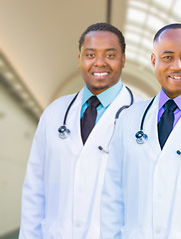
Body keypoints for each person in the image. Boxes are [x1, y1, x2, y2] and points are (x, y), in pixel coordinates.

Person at [101, 23, 181, 238]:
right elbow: (112, 197)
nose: (177, 66)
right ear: (154, 61)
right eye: (167, 57)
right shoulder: (129, 119)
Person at [19, 23, 140, 238]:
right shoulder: (54, 114)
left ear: (123, 59)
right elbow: (34, 190)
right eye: (90, 54)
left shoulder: (142, 119)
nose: (99, 63)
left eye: (110, 55)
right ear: (79, 60)